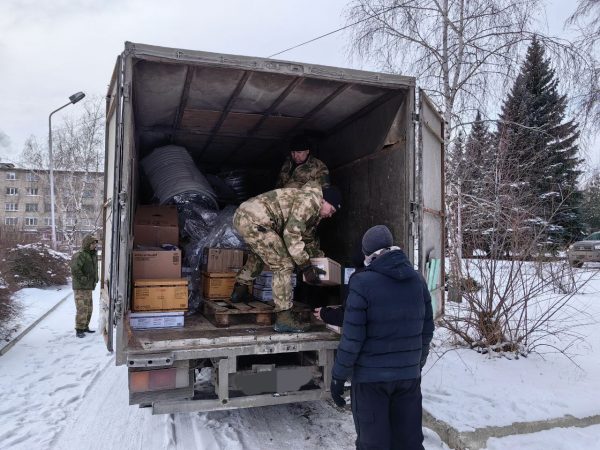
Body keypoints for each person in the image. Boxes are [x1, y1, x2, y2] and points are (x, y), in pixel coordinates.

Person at [330, 225, 434, 450]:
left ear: (368, 254)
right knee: (409, 443)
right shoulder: (417, 280)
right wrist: (417, 363)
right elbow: (427, 330)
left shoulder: (362, 283)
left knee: (373, 444)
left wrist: (338, 377)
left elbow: (352, 339)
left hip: (370, 383)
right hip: (408, 379)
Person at [230, 182, 342, 333]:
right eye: (332, 209)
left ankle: (239, 291)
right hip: (254, 220)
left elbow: (307, 240)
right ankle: (284, 318)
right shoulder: (311, 201)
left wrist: (320, 263)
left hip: (245, 216)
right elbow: (292, 234)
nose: (330, 215)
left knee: (259, 255)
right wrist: (306, 267)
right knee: (283, 264)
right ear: (324, 200)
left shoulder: (313, 210)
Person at [70, 235, 99, 338]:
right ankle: (79, 329)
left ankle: (85, 327)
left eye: (95, 243)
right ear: (87, 244)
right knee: (82, 308)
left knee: (89, 308)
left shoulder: (92, 254)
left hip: (88, 287)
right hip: (80, 287)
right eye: (92, 243)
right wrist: (82, 278)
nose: (94, 245)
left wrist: (95, 278)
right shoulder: (80, 254)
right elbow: (74, 269)